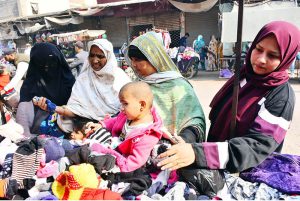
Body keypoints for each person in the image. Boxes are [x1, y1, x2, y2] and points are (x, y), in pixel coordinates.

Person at [157, 21, 300, 175]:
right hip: (215, 163)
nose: (261, 59)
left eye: (272, 55)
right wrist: (189, 141)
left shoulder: (281, 97)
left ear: (287, 58)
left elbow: (257, 146)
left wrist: (199, 153)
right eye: (258, 49)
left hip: (246, 173)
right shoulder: (244, 76)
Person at [34, 39, 131, 132]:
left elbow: (129, 110)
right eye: (92, 55)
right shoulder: (84, 79)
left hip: (116, 126)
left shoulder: (120, 78)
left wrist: (105, 124)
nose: (95, 60)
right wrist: (54, 108)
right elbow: (76, 110)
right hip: (87, 128)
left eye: (100, 56)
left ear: (108, 57)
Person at [127, 31, 206, 144]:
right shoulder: (138, 84)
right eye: (132, 60)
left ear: (154, 58)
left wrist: (184, 139)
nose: (133, 64)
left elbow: (194, 121)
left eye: (138, 60)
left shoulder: (179, 86)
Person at [86, 81, 163, 172]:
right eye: (121, 104)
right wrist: (102, 125)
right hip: (114, 145)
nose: (121, 108)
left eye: (125, 104)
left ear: (142, 105)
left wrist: (117, 164)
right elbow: (116, 121)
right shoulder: (128, 115)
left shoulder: (148, 136)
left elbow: (135, 161)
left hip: (122, 160)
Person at [16, 42, 75, 137]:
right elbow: (24, 113)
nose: (47, 67)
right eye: (41, 63)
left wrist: (60, 109)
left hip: (70, 131)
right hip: (39, 134)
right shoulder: (29, 86)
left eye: (52, 62)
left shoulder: (69, 82)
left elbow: (79, 109)